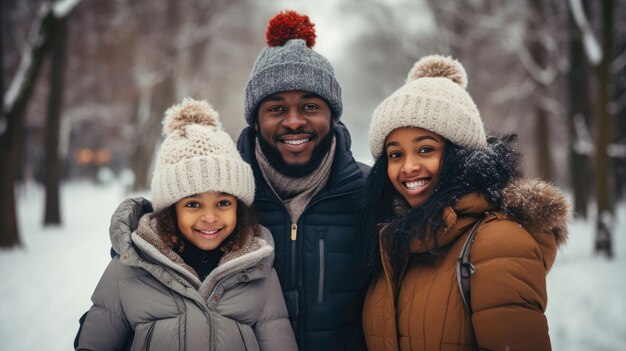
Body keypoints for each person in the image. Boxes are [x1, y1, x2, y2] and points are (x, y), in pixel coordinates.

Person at [360, 55, 570, 351]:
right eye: (395, 154)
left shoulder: (498, 242)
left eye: (425, 149)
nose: (408, 167)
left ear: (462, 156)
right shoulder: (393, 241)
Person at [75, 98, 297, 350]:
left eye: (223, 203)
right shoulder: (129, 268)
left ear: (240, 208)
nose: (210, 216)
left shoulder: (258, 271)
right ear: (171, 210)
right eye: (193, 204)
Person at [236, 10, 370, 351]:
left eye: (310, 106)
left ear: (331, 114)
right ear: (256, 120)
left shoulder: (372, 192)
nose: (294, 122)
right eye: (276, 109)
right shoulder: (225, 199)